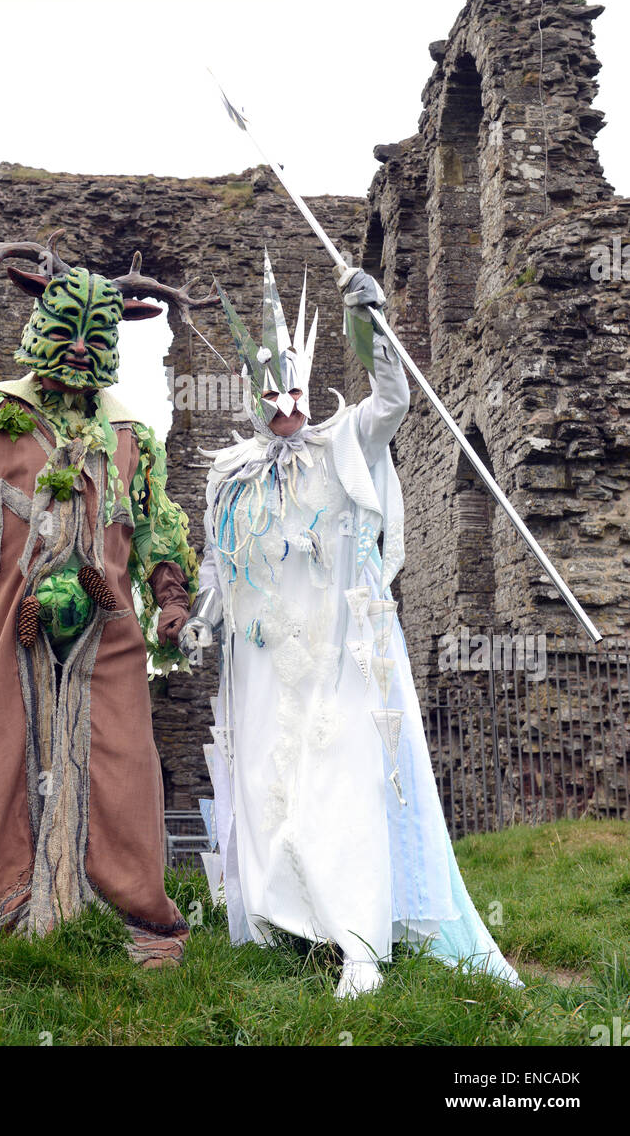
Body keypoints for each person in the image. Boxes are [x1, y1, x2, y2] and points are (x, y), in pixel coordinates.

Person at [0, 221, 210, 966]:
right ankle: (4, 909)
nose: (81, 348)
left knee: (120, 764)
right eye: (67, 329)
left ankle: (129, 915)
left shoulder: (130, 438)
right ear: (39, 325)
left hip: (108, 632)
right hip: (6, 626)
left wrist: (171, 596)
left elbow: (149, 530)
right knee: (3, 762)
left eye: (95, 334)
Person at [180, 252, 522, 996]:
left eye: (295, 387)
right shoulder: (228, 475)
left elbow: (393, 403)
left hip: (343, 651)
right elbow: (218, 567)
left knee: (344, 783)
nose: (286, 403)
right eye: (269, 392)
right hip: (266, 664)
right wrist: (193, 622)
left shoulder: (343, 442)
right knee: (275, 789)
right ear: (248, 394)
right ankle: (291, 928)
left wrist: (369, 324)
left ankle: (362, 944)